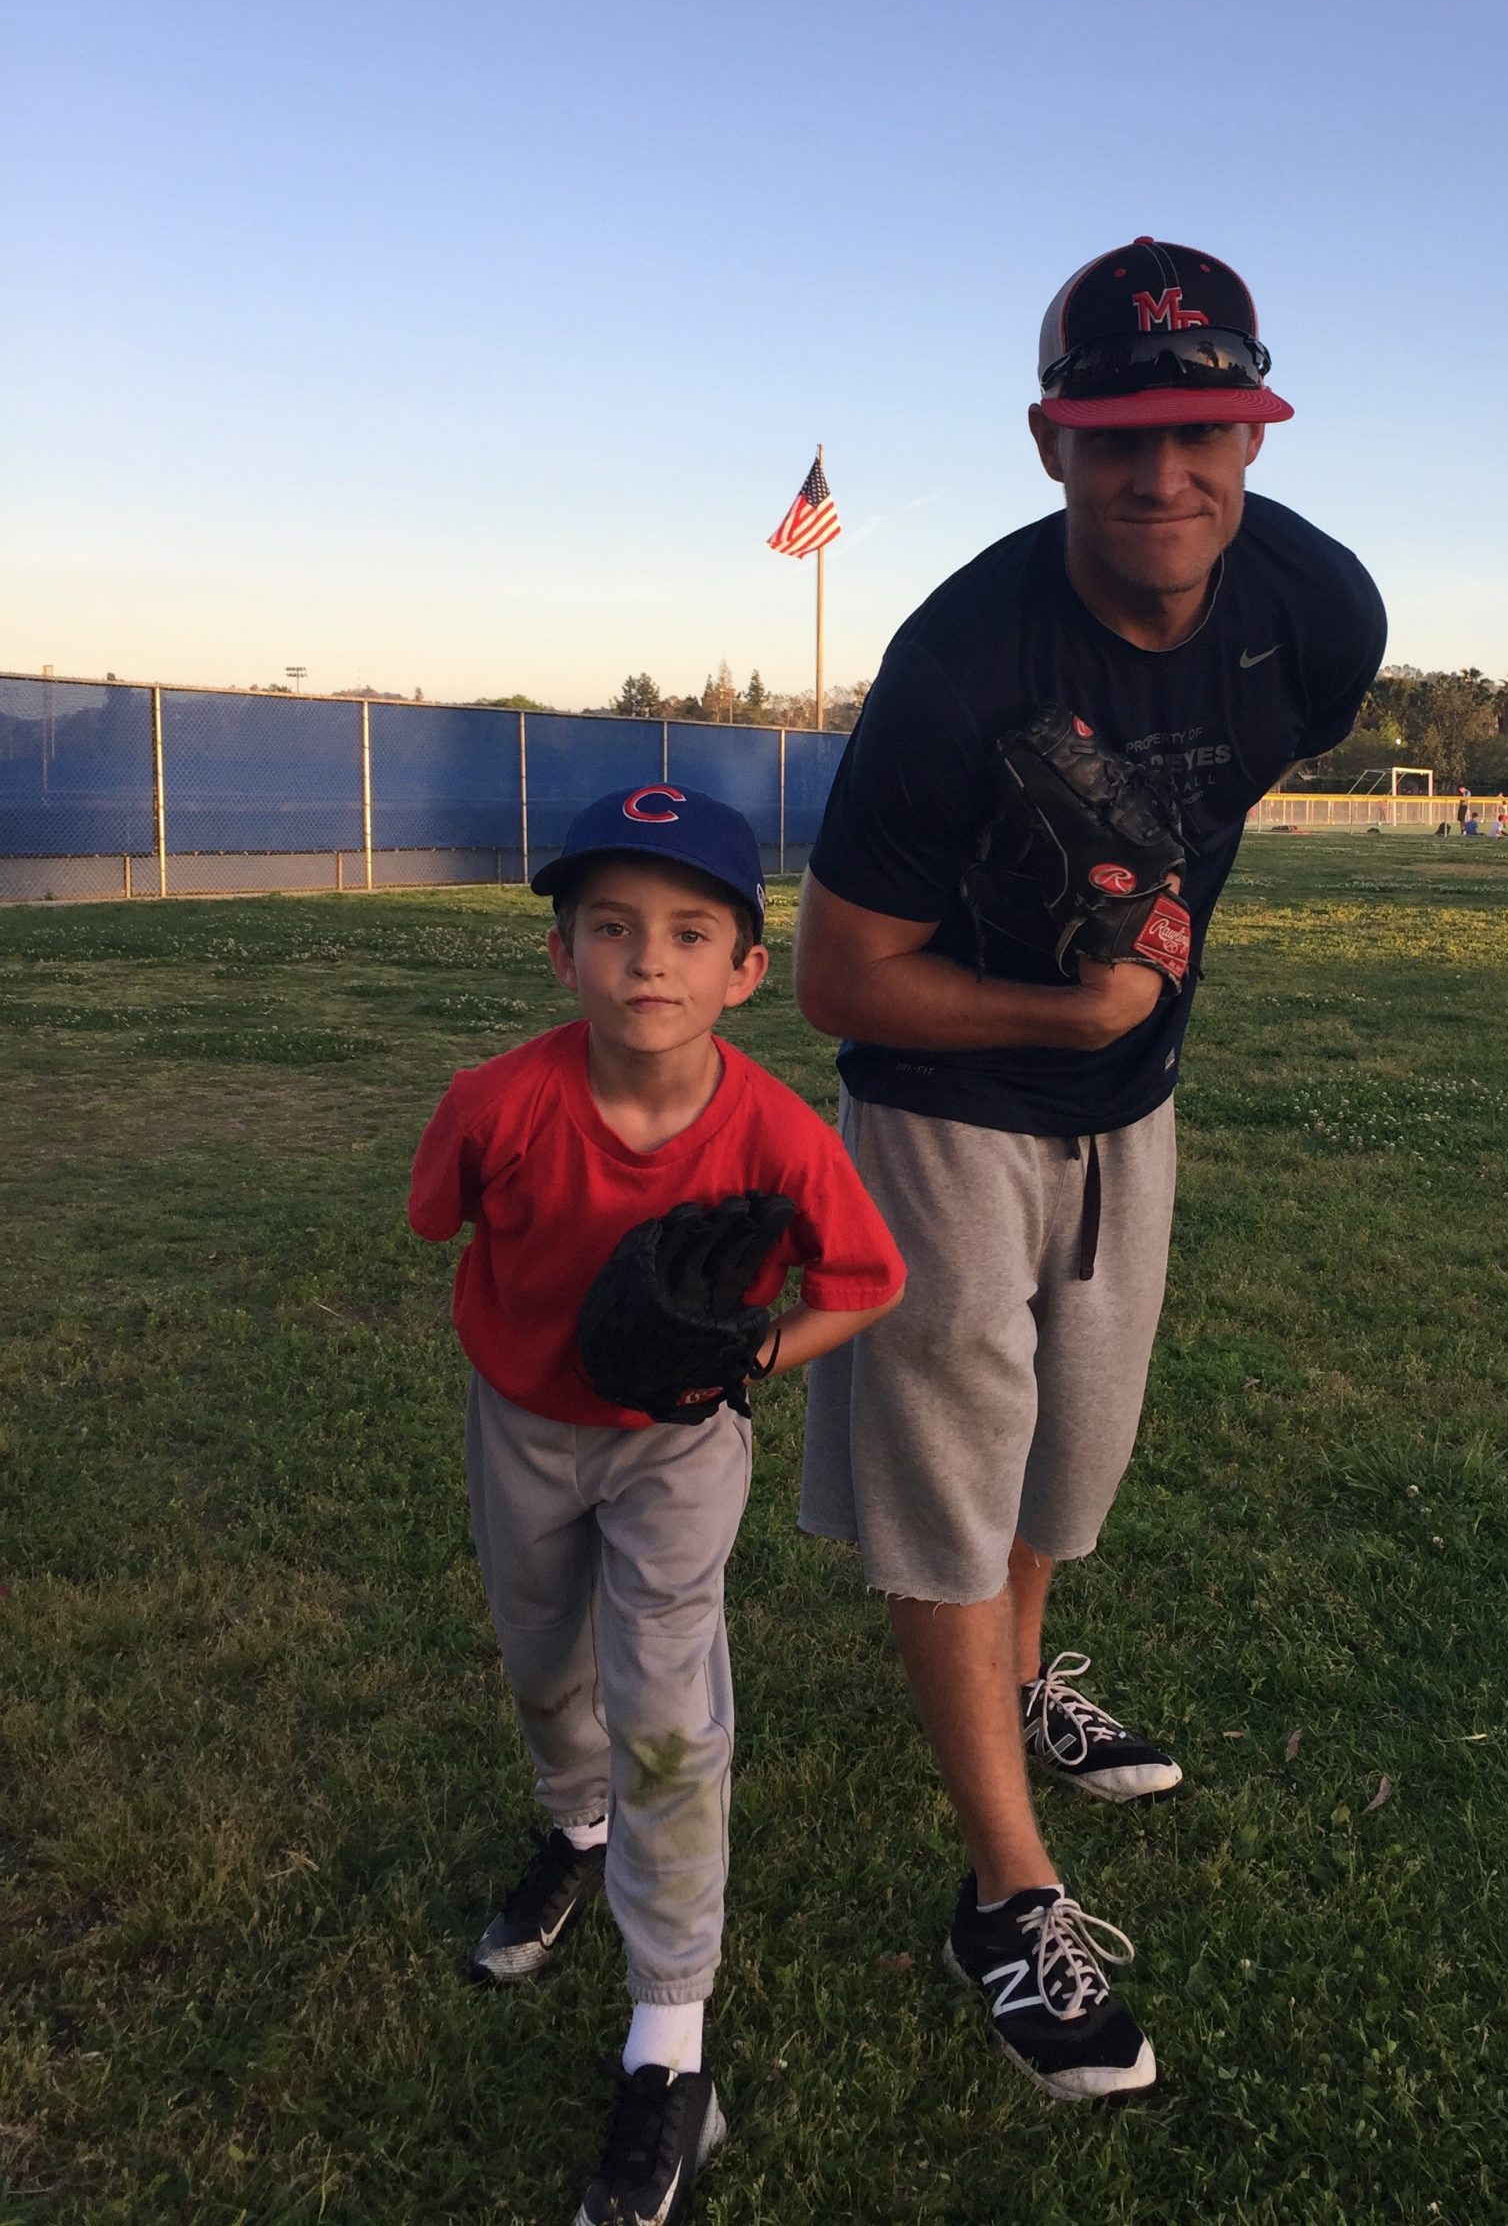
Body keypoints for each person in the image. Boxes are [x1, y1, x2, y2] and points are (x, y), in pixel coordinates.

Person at [791, 237, 1385, 2101]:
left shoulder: (1315, 616)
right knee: (955, 1488)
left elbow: (1206, 803)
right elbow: (830, 979)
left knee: (1076, 1454)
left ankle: (1026, 1678)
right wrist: (1066, 1009)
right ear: (1052, 442)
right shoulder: (961, 661)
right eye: (1120, 432)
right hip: (947, 1102)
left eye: (1207, 426)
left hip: (1136, 1096)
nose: (1168, 472)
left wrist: (1131, 946)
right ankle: (1006, 1891)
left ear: (1254, 435)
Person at [409, 786, 904, 2226]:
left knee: (668, 1712)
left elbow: (866, 1284)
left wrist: (754, 1349)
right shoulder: (496, 1101)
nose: (649, 961)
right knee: (541, 1662)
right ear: (561, 953)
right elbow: (437, 1217)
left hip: (679, 1445)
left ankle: (668, 2034)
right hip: (523, 1428)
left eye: (692, 933)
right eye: (612, 927)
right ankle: (576, 1830)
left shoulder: (774, 1134)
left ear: (746, 972)